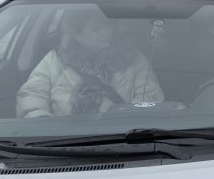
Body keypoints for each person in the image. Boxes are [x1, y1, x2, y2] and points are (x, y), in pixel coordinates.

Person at [17, 7, 164, 118]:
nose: (106, 32)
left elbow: (149, 102)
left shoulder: (135, 60)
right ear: (77, 34)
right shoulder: (55, 59)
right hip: (60, 144)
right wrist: (43, 122)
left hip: (121, 141)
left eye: (108, 25)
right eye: (96, 29)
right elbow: (32, 95)